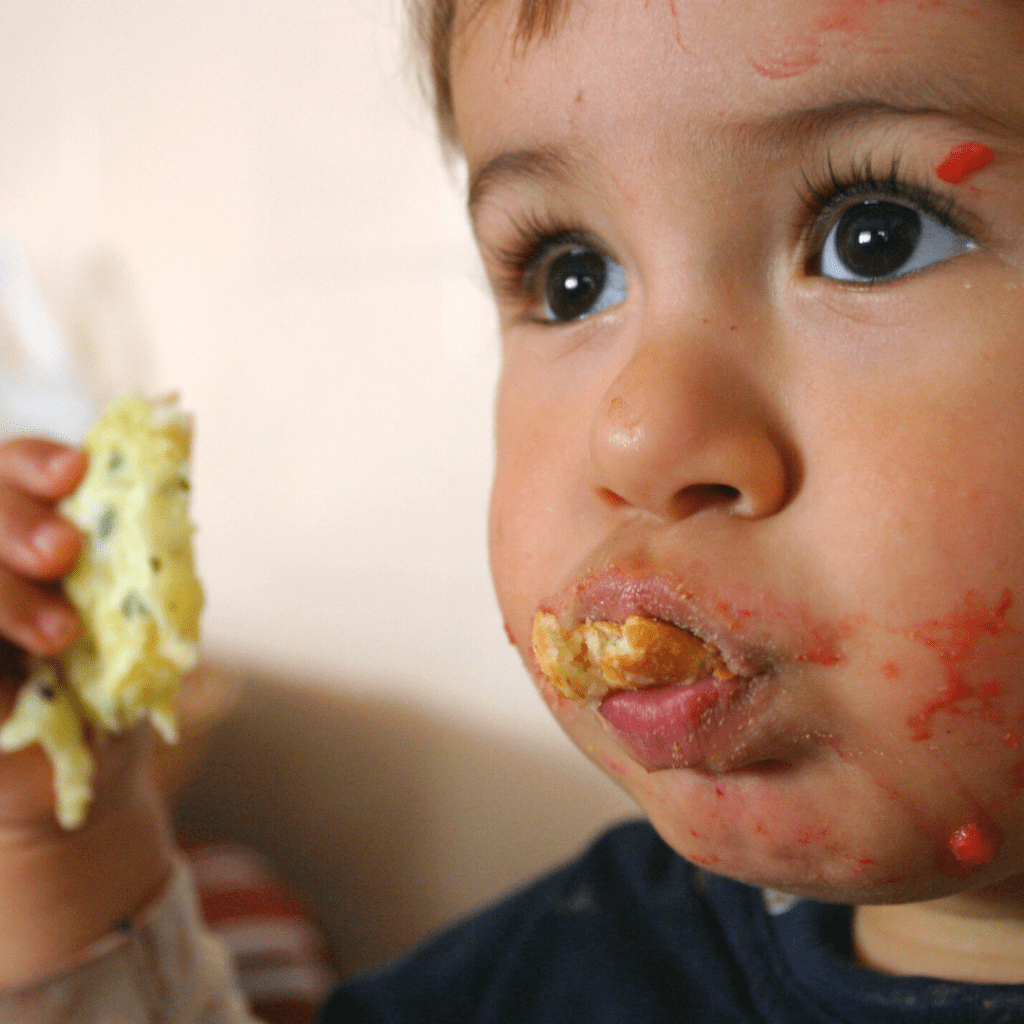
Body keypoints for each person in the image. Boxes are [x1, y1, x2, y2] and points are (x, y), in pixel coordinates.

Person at [2, 0, 1024, 1019]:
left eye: (875, 238)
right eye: (572, 277)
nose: (634, 433)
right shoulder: (552, 980)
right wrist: (54, 846)